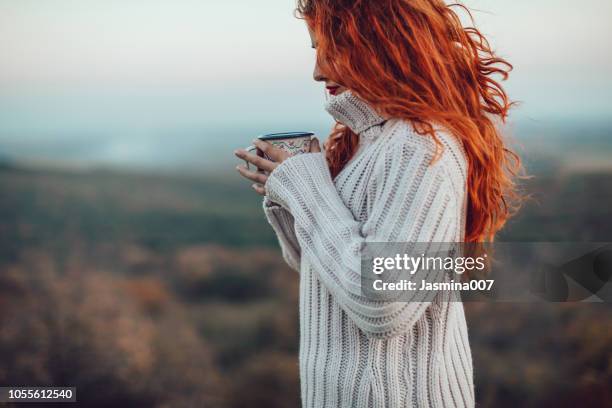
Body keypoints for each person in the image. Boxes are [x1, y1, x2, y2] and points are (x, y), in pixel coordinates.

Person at [234, 1, 523, 406]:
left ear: (381, 45)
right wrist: (288, 192)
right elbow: (324, 270)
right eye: (315, 50)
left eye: (332, 48)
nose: (317, 70)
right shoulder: (367, 140)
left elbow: (383, 303)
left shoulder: (420, 147)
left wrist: (305, 188)